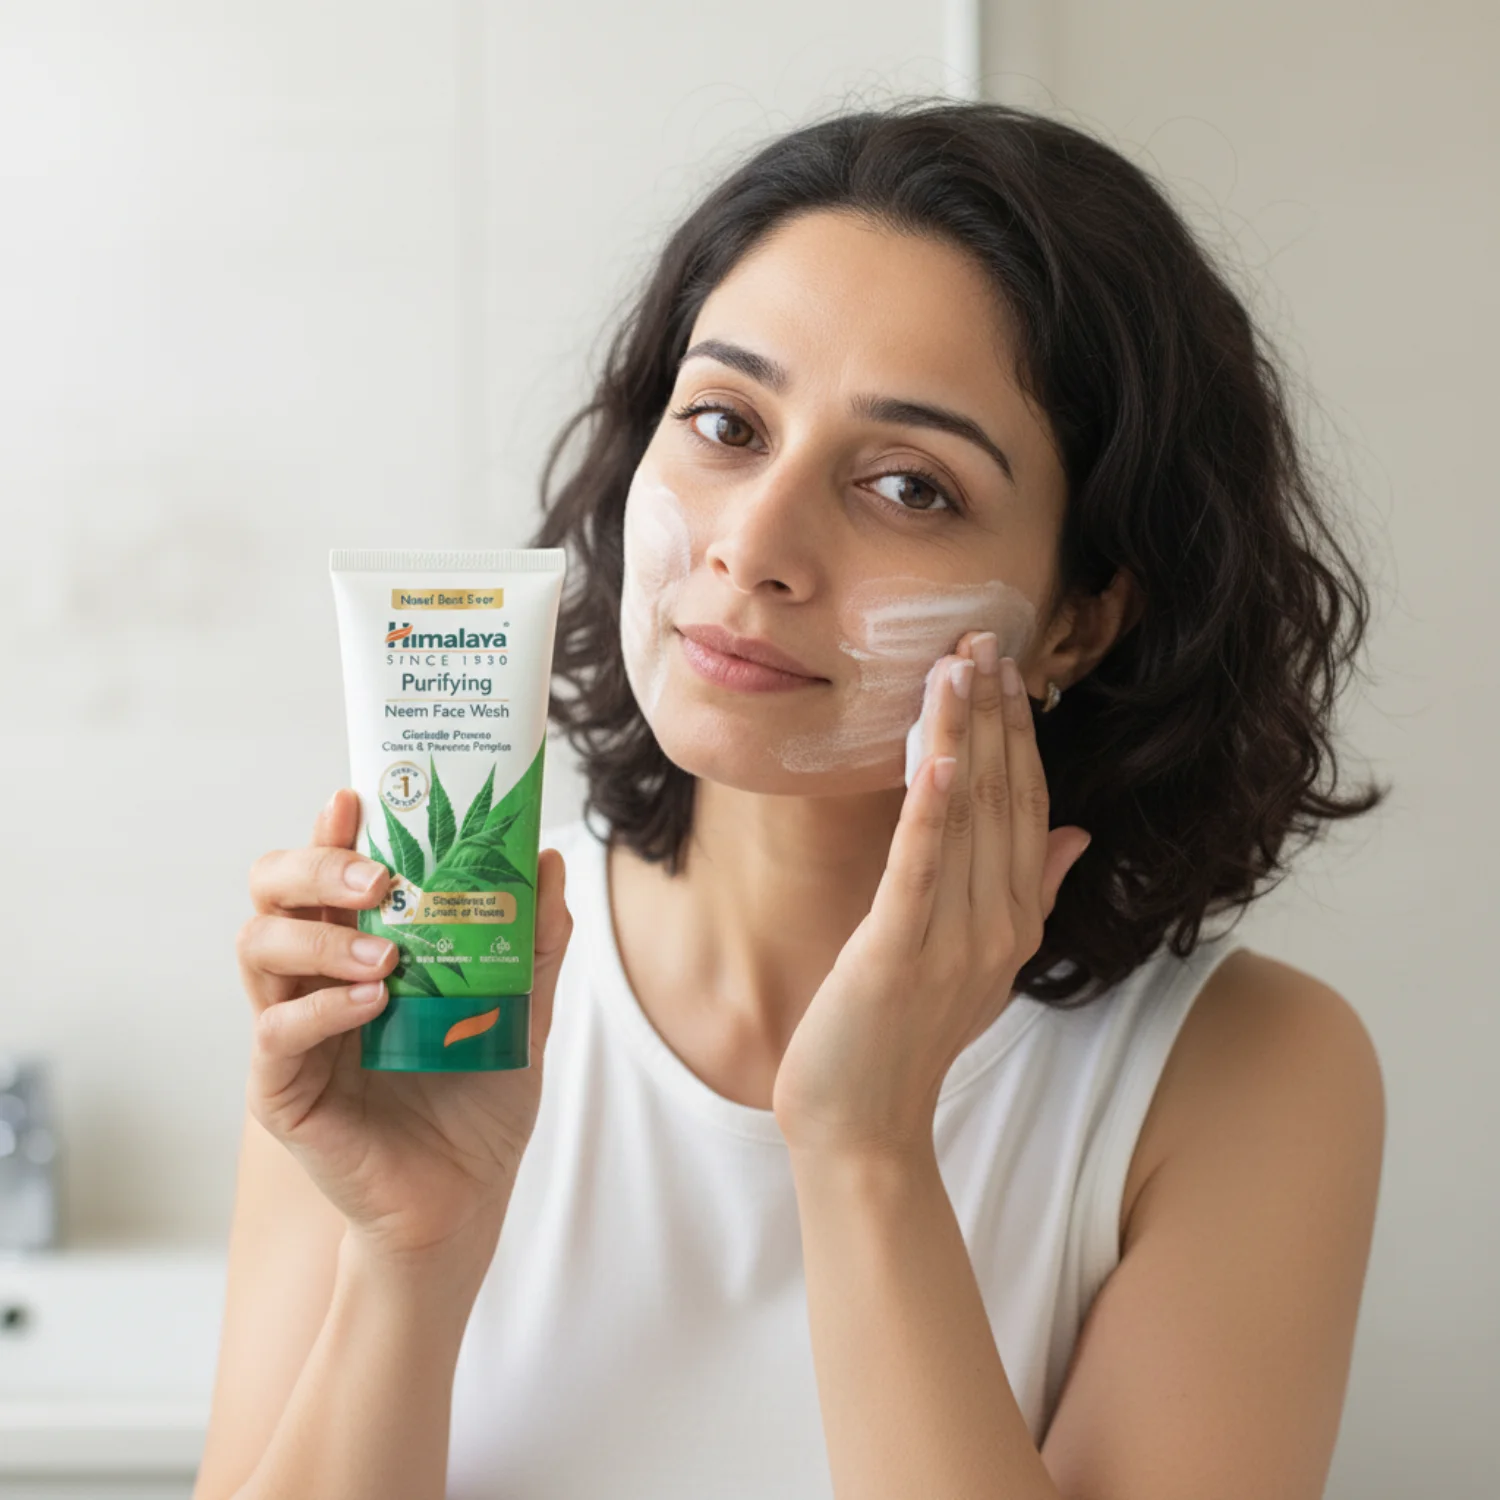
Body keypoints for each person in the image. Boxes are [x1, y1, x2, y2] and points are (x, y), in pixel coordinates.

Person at [196, 100, 1388, 1500]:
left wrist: (867, 1146)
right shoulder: (428, 976)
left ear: (1079, 619)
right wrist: (411, 1254)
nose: (754, 544)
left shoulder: (1244, 1076)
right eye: (723, 422)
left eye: (907, 485)